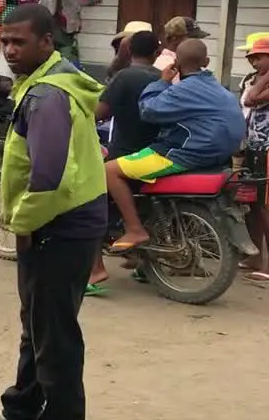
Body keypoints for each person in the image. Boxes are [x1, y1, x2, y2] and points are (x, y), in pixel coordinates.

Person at [0, 4, 107, 420]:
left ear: (47, 42)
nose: (9, 50)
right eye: (4, 41)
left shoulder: (47, 96)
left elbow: (48, 178)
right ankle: (22, 412)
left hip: (59, 227)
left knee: (55, 335)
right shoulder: (46, 86)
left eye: (19, 42)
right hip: (64, 223)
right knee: (39, 327)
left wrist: (24, 225)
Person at [106, 38, 245, 250]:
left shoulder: (184, 89)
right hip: (217, 155)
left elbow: (148, 110)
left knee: (109, 170)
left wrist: (162, 82)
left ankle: (135, 229)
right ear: (206, 61)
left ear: (176, 62)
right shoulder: (221, 91)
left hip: (187, 154)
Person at [87, 31, 162, 291]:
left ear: (129, 52)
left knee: (91, 205)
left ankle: (95, 271)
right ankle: (145, 265)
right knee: (146, 207)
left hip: (125, 154)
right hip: (153, 155)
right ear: (157, 54)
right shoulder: (162, 78)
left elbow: (99, 113)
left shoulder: (124, 77)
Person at [238, 33, 269, 280]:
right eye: (252, 58)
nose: (254, 63)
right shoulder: (252, 78)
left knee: (266, 206)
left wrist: (265, 77)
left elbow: (251, 99)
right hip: (252, 147)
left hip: (267, 149)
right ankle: (255, 255)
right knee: (252, 204)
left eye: (259, 58)